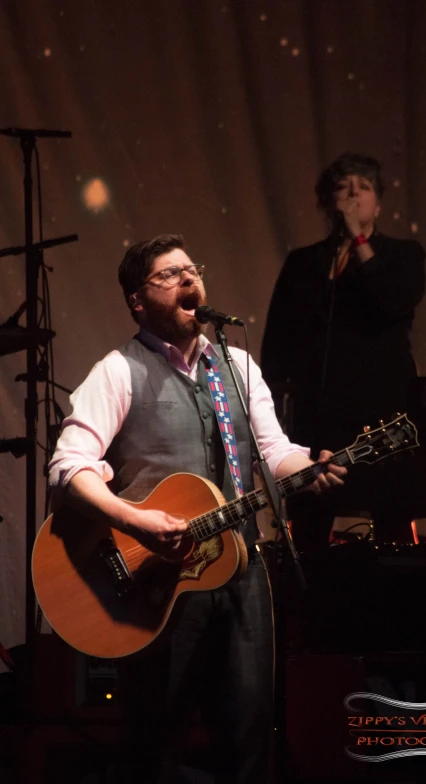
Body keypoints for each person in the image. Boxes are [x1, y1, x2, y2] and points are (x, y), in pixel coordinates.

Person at [48, 233, 346, 784]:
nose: (189, 279)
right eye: (169, 274)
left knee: (248, 737)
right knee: (154, 739)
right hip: (158, 582)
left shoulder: (236, 366)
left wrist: (307, 466)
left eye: (192, 269)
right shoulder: (118, 371)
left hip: (243, 572)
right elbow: (69, 469)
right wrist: (134, 519)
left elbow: (272, 452)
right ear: (137, 300)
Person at [261, 152, 426, 551]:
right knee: (308, 523)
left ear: (378, 203)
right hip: (319, 410)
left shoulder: (403, 254)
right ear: (328, 201)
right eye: (344, 188)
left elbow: (394, 300)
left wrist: (359, 239)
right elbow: (279, 336)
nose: (354, 196)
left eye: (365, 188)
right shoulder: (304, 261)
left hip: (382, 410)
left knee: (392, 522)